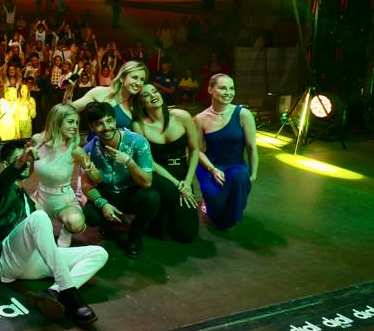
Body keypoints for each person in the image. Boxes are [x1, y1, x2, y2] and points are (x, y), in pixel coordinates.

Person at [0, 142, 107, 325]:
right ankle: (70, 293)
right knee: (39, 217)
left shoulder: (25, 196)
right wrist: (19, 163)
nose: (24, 165)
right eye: (18, 161)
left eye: (27, 162)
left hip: (30, 261)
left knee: (98, 253)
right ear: (5, 165)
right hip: (5, 258)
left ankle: (53, 292)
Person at [81, 102, 158, 258]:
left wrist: (129, 162)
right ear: (91, 127)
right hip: (108, 193)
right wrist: (103, 205)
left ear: (115, 121)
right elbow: (85, 185)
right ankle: (107, 223)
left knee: (152, 198)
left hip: (131, 193)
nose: (106, 127)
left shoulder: (137, 142)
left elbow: (147, 182)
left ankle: (135, 235)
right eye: (99, 124)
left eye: (109, 121)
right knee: (90, 215)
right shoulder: (89, 149)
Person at [132, 83, 201, 242]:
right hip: (159, 174)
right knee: (161, 232)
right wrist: (177, 184)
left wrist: (188, 182)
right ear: (141, 103)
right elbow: (149, 161)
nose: (153, 96)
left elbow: (195, 150)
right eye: (146, 95)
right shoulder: (139, 125)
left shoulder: (182, 116)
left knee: (187, 234)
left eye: (154, 91)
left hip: (183, 172)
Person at [194, 74, 257, 230]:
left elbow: (251, 147)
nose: (228, 92)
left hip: (235, 164)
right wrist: (213, 169)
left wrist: (253, 174)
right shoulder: (200, 119)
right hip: (210, 165)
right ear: (210, 89)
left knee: (239, 177)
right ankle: (209, 203)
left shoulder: (243, 114)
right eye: (222, 88)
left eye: (231, 88)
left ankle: (229, 211)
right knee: (216, 203)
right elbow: (198, 151)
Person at [25, 103, 90, 248]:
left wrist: (90, 168)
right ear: (57, 121)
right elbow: (27, 170)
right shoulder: (37, 140)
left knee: (76, 223)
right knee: (20, 216)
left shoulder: (75, 150)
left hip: (64, 201)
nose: (75, 126)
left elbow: (95, 177)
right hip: (40, 197)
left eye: (77, 122)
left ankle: (66, 233)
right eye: (71, 122)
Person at [69, 60, 149, 130]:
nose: (139, 83)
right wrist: (68, 92)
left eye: (142, 79)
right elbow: (66, 111)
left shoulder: (137, 105)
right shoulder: (100, 92)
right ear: (122, 78)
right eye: (135, 77)